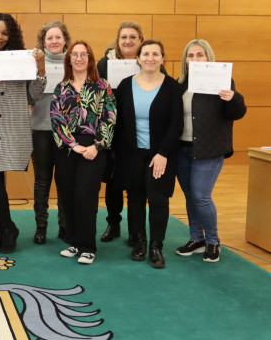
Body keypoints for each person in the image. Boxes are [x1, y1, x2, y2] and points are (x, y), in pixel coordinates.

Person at [0, 12, 46, 252]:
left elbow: (32, 95)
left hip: (6, 127)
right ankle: (5, 230)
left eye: (5, 33)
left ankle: (7, 229)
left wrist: (40, 69)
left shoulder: (19, 58)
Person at [174, 39, 246, 262]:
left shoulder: (222, 82)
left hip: (209, 150)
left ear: (208, 58)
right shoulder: (180, 84)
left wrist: (232, 98)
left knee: (201, 196)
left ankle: (213, 241)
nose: (195, 59)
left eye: (200, 55)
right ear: (185, 60)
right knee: (189, 195)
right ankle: (197, 238)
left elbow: (237, 112)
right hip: (182, 149)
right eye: (190, 55)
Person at [112, 40, 182, 268]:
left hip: (160, 155)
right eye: (146, 54)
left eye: (155, 54)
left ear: (162, 58)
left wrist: (163, 153)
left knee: (159, 200)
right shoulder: (125, 85)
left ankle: (156, 246)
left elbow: (176, 124)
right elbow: (119, 123)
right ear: (138, 58)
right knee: (135, 198)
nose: (150, 58)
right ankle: (140, 242)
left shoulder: (172, 87)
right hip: (131, 155)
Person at [98, 21, 166, 245]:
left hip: (138, 135)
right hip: (112, 130)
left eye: (133, 37)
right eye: (123, 37)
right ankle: (113, 222)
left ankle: (137, 232)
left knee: (137, 185)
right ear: (118, 41)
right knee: (113, 180)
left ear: (140, 41)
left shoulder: (151, 62)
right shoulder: (104, 63)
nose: (128, 41)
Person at [51, 41, 116, 265]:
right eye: (74, 54)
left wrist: (96, 146)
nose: (79, 58)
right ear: (68, 59)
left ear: (90, 59)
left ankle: (88, 246)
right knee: (67, 196)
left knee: (85, 196)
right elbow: (56, 119)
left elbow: (110, 117)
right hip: (67, 149)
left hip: (94, 148)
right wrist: (72, 144)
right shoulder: (61, 88)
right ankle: (75, 243)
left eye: (83, 54)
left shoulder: (102, 85)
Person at [31, 21, 71, 243]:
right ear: (43, 42)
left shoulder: (74, 61)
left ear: (65, 39)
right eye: (49, 38)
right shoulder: (34, 63)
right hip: (40, 129)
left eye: (58, 37)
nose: (54, 41)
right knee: (42, 180)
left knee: (64, 180)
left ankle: (65, 226)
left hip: (67, 132)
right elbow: (32, 96)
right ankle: (41, 227)